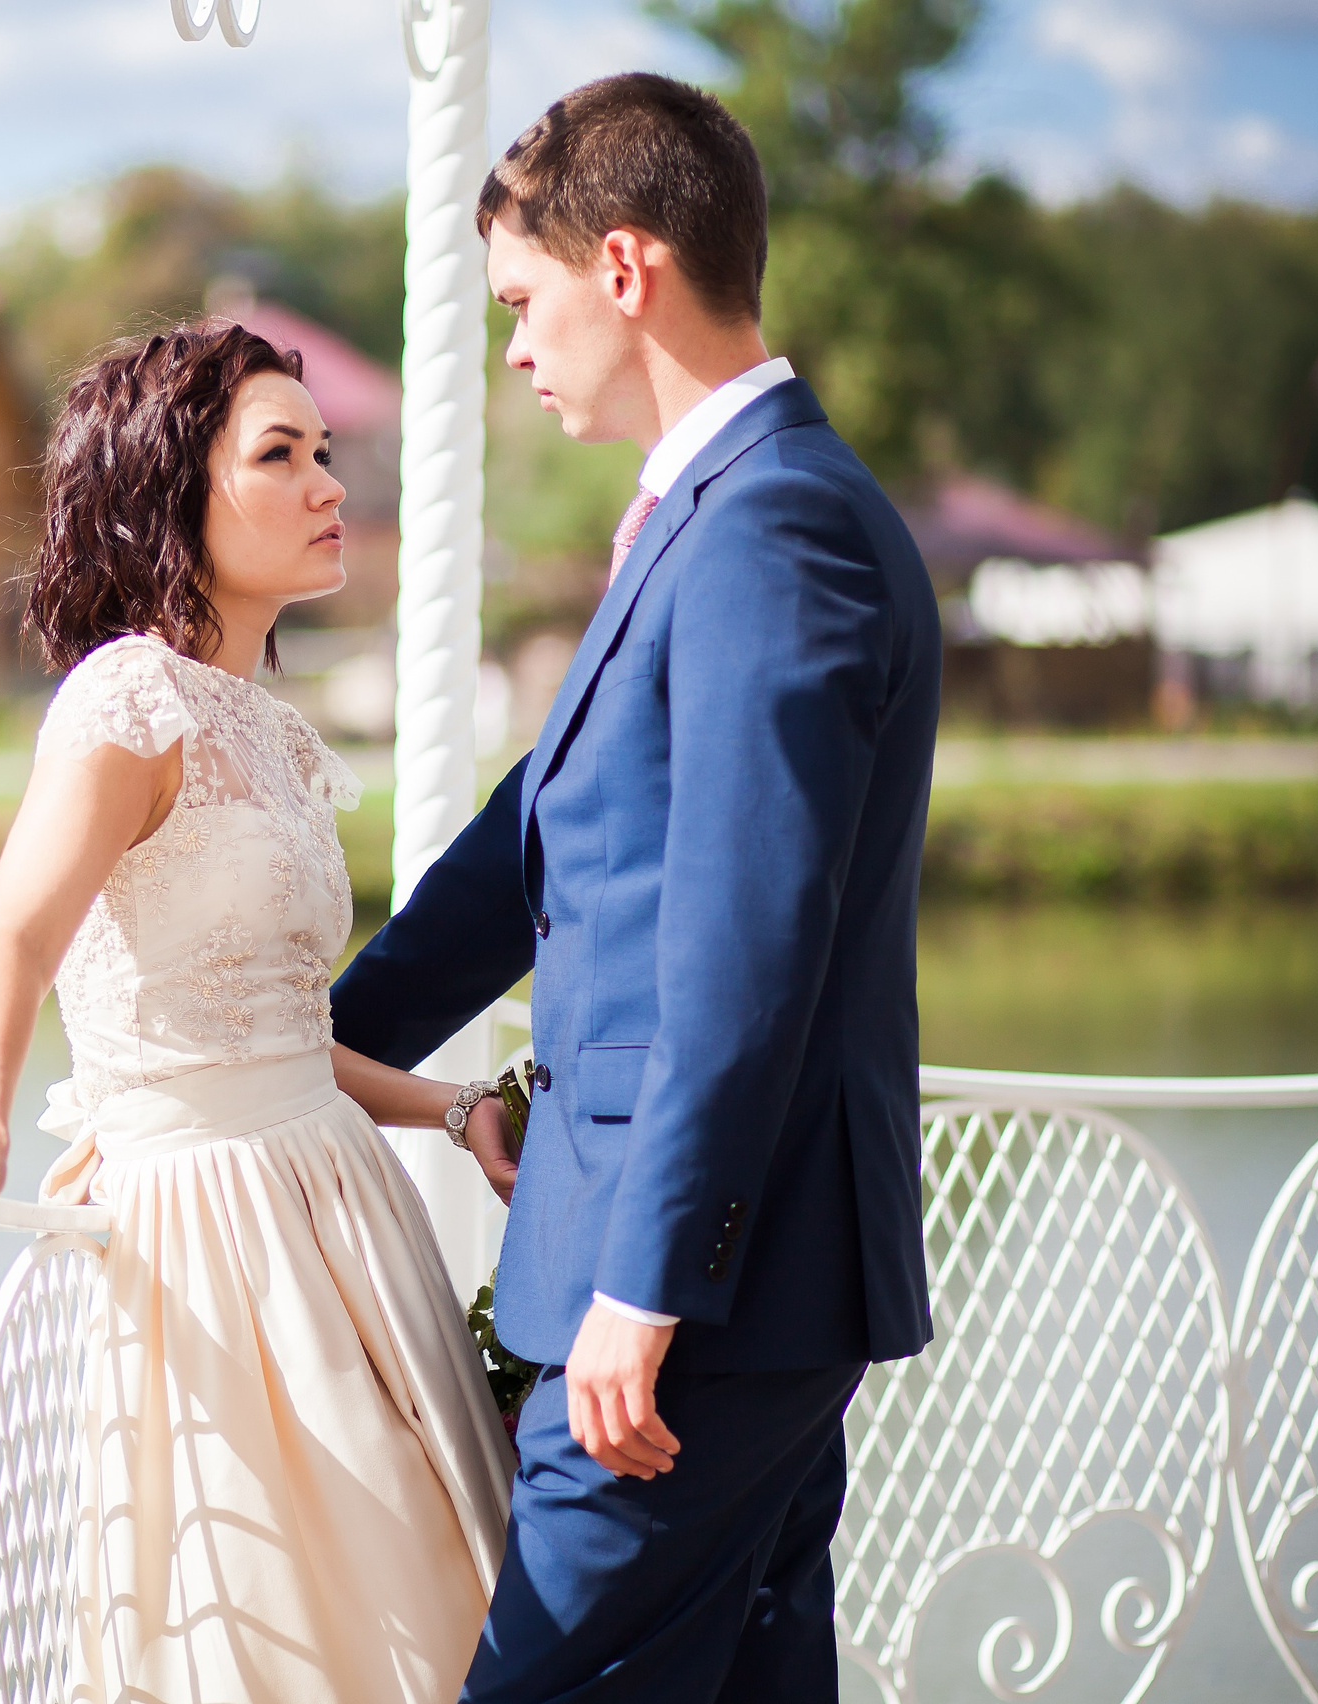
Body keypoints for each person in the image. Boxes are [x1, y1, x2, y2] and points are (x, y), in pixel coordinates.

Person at [329, 74, 942, 1702]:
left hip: (694, 1304)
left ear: (624, 268)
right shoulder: (718, 515)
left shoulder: (771, 529)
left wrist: (646, 1281)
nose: (512, 349)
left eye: (521, 302)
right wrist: (308, 1027)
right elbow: (546, 831)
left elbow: (750, 948)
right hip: (727, 1287)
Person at [0, 320, 518, 1704]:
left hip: (339, 1206)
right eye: (279, 455)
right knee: (303, 1628)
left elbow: (280, 1033)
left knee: (440, 1608)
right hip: (213, 1236)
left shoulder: (276, 730)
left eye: (326, 453)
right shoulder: (127, 700)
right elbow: (8, 940)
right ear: (174, 488)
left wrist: (454, 1108)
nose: (326, 486)